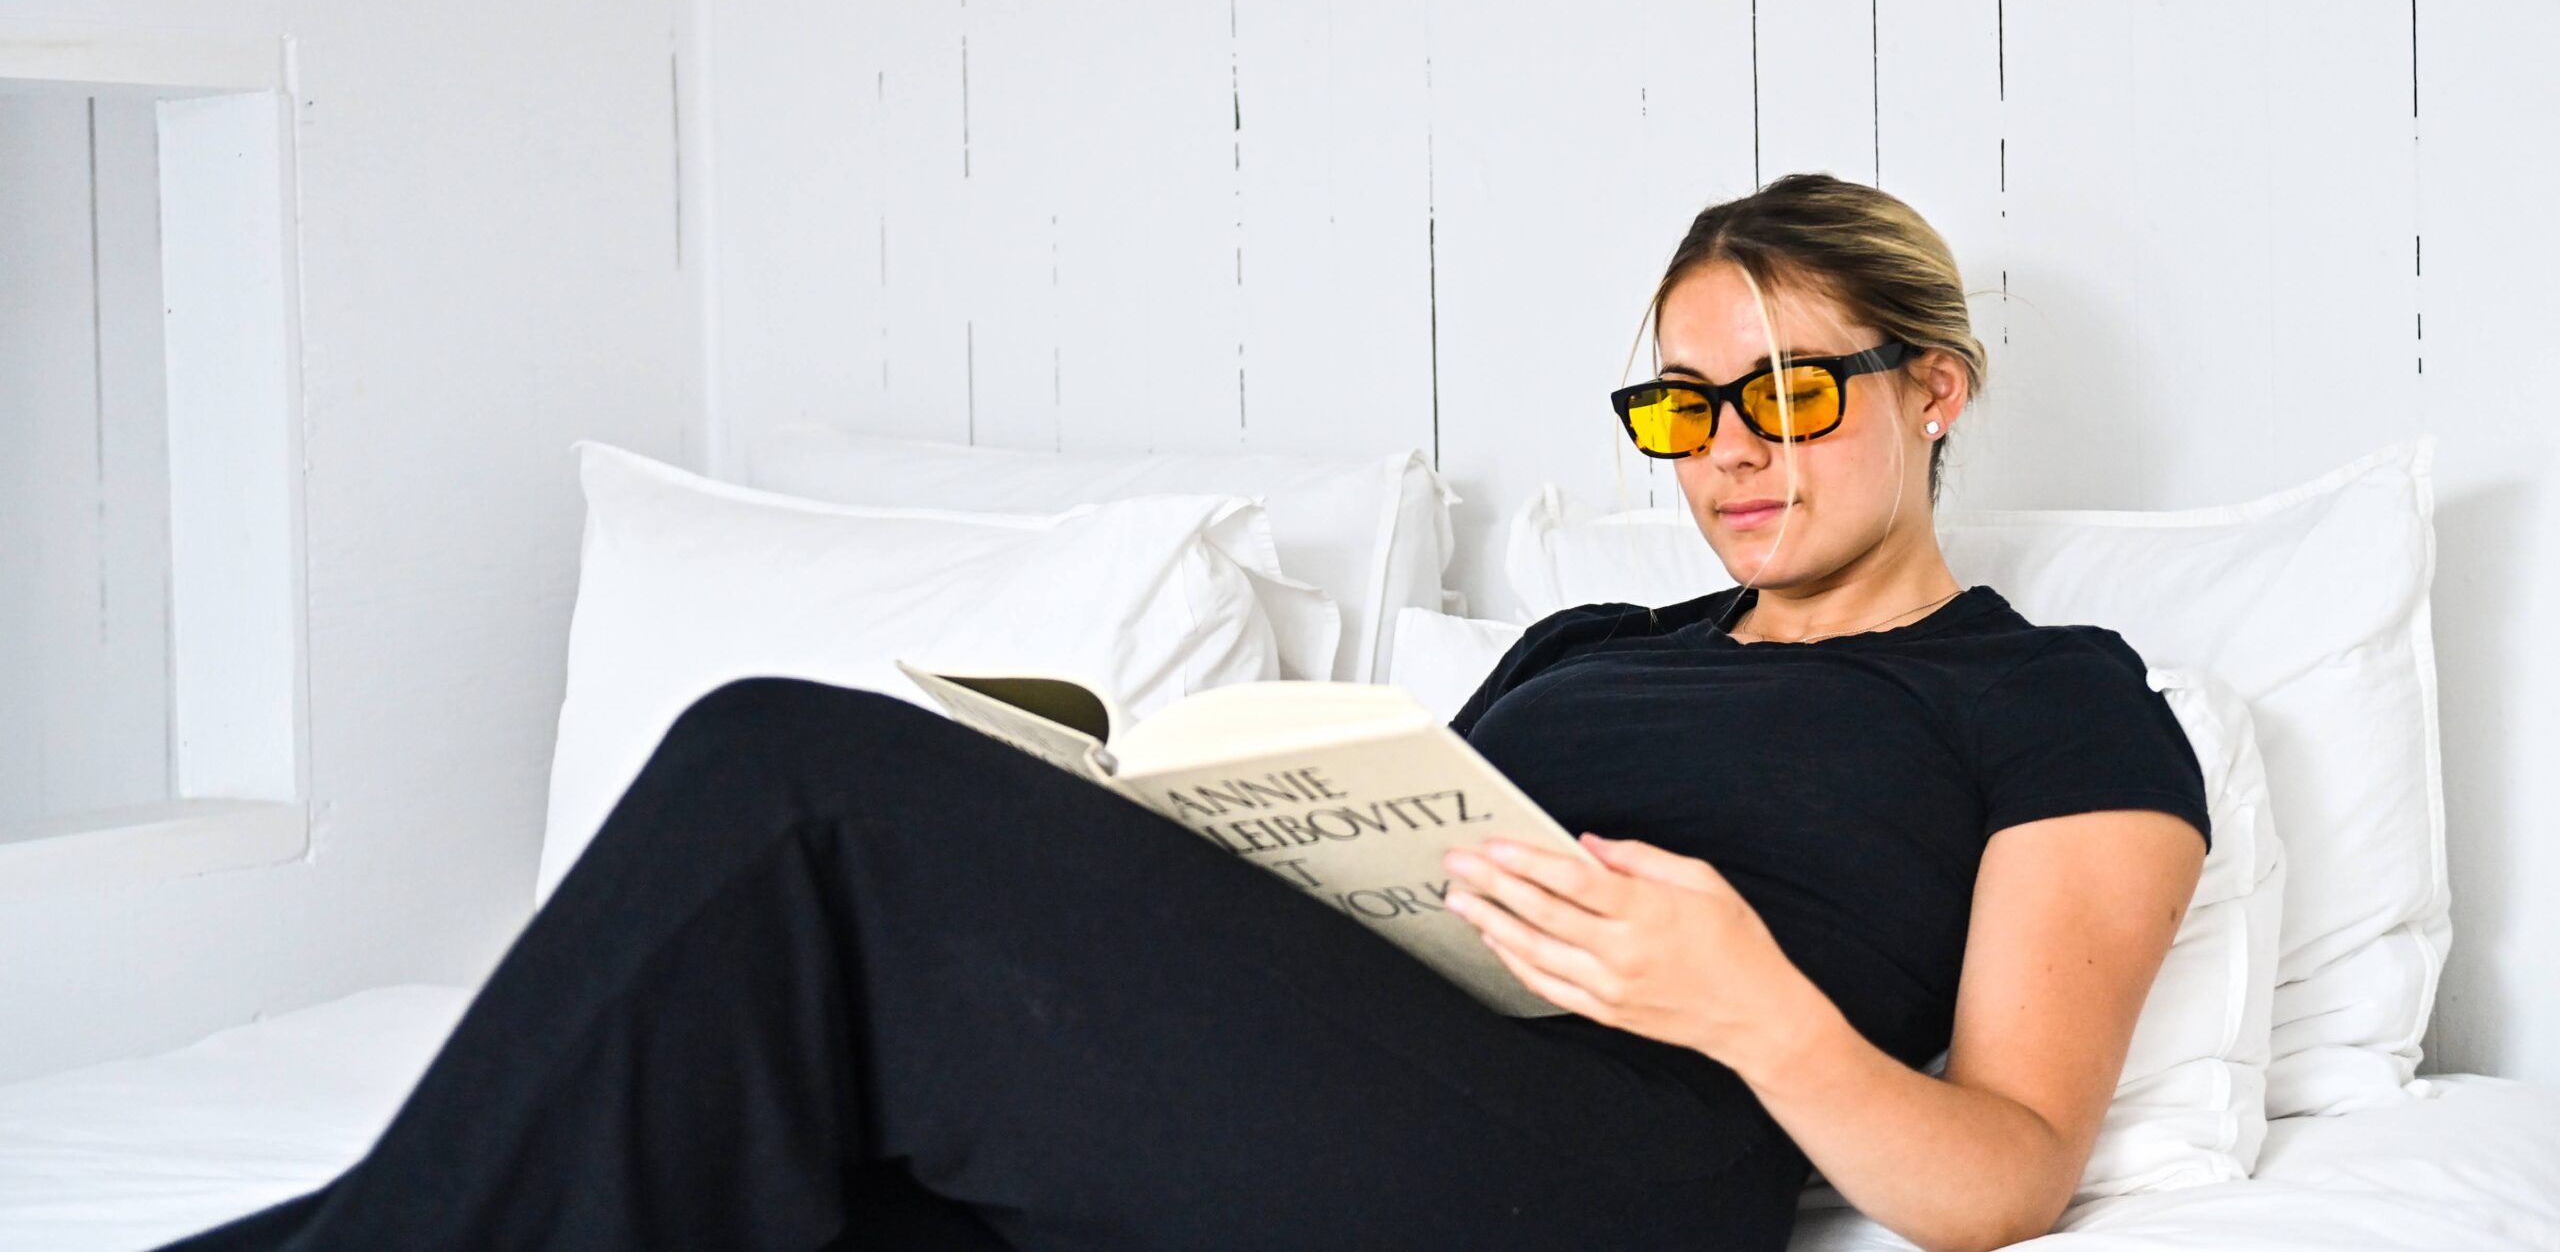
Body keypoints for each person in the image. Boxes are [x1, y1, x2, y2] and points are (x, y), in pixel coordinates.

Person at [157, 171, 2208, 1252]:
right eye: (1683, 404)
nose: (1727, 454)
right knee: (755, 1183)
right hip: (1325, 1098)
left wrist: (1745, 995)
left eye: (1784, 390)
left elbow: (2000, 1178)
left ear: (1929, 386)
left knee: (786, 768)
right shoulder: (1592, 649)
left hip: (1594, 1175)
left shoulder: (2049, 703)